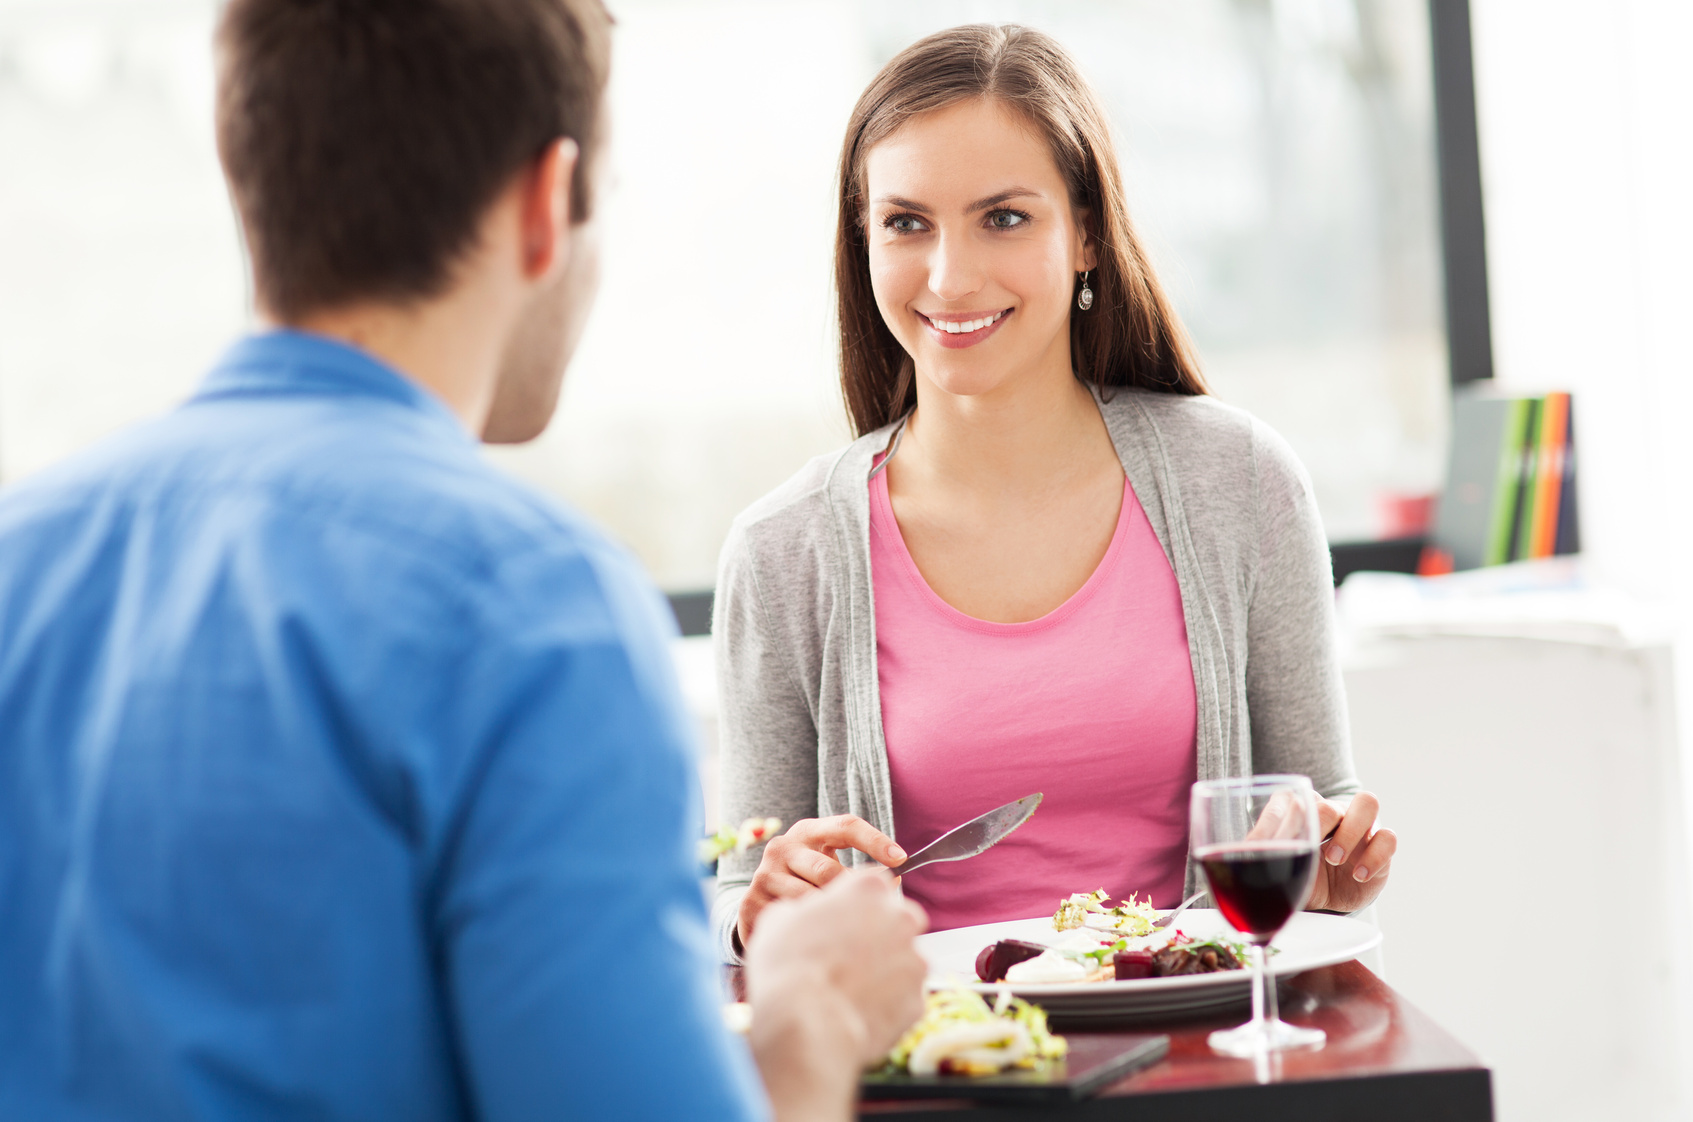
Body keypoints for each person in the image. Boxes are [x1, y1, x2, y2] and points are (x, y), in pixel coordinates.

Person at [0, 2, 926, 1120]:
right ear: (548, 205)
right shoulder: (532, 610)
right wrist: (807, 1023)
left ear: (252, 180)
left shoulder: (21, 562)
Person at [714, 23, 1399, 956]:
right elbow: (736, 900)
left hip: (1201, 1058)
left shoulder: (1240, 483)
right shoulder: (780, 553)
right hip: (939, 1074)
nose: (949, 277)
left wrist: (1327, 861)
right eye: (905, 222)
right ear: (863, 241)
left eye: (1003, 217)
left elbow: (1315, 825)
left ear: (1084, 233)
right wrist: (761, 910)